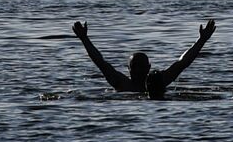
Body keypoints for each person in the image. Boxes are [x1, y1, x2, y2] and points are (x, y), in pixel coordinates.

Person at [71, 19, 215, 99]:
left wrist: (201, 40)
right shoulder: (121, 83)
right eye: (135, 66)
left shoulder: (158, 82)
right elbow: (100, 62)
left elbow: (182, 63)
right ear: (129, 69)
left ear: (149, 67)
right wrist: (84, 39)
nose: (139, 70)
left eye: (142, 66)